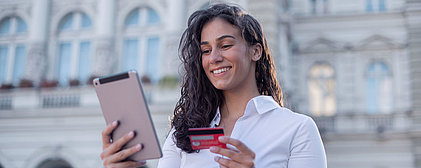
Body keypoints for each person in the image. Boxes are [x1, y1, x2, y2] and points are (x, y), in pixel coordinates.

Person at [100, 3, 327, 168]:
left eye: (225, 45)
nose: (214, 58)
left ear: (255, 51)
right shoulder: (183, 132)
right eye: (206, 50)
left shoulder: (298, 129)